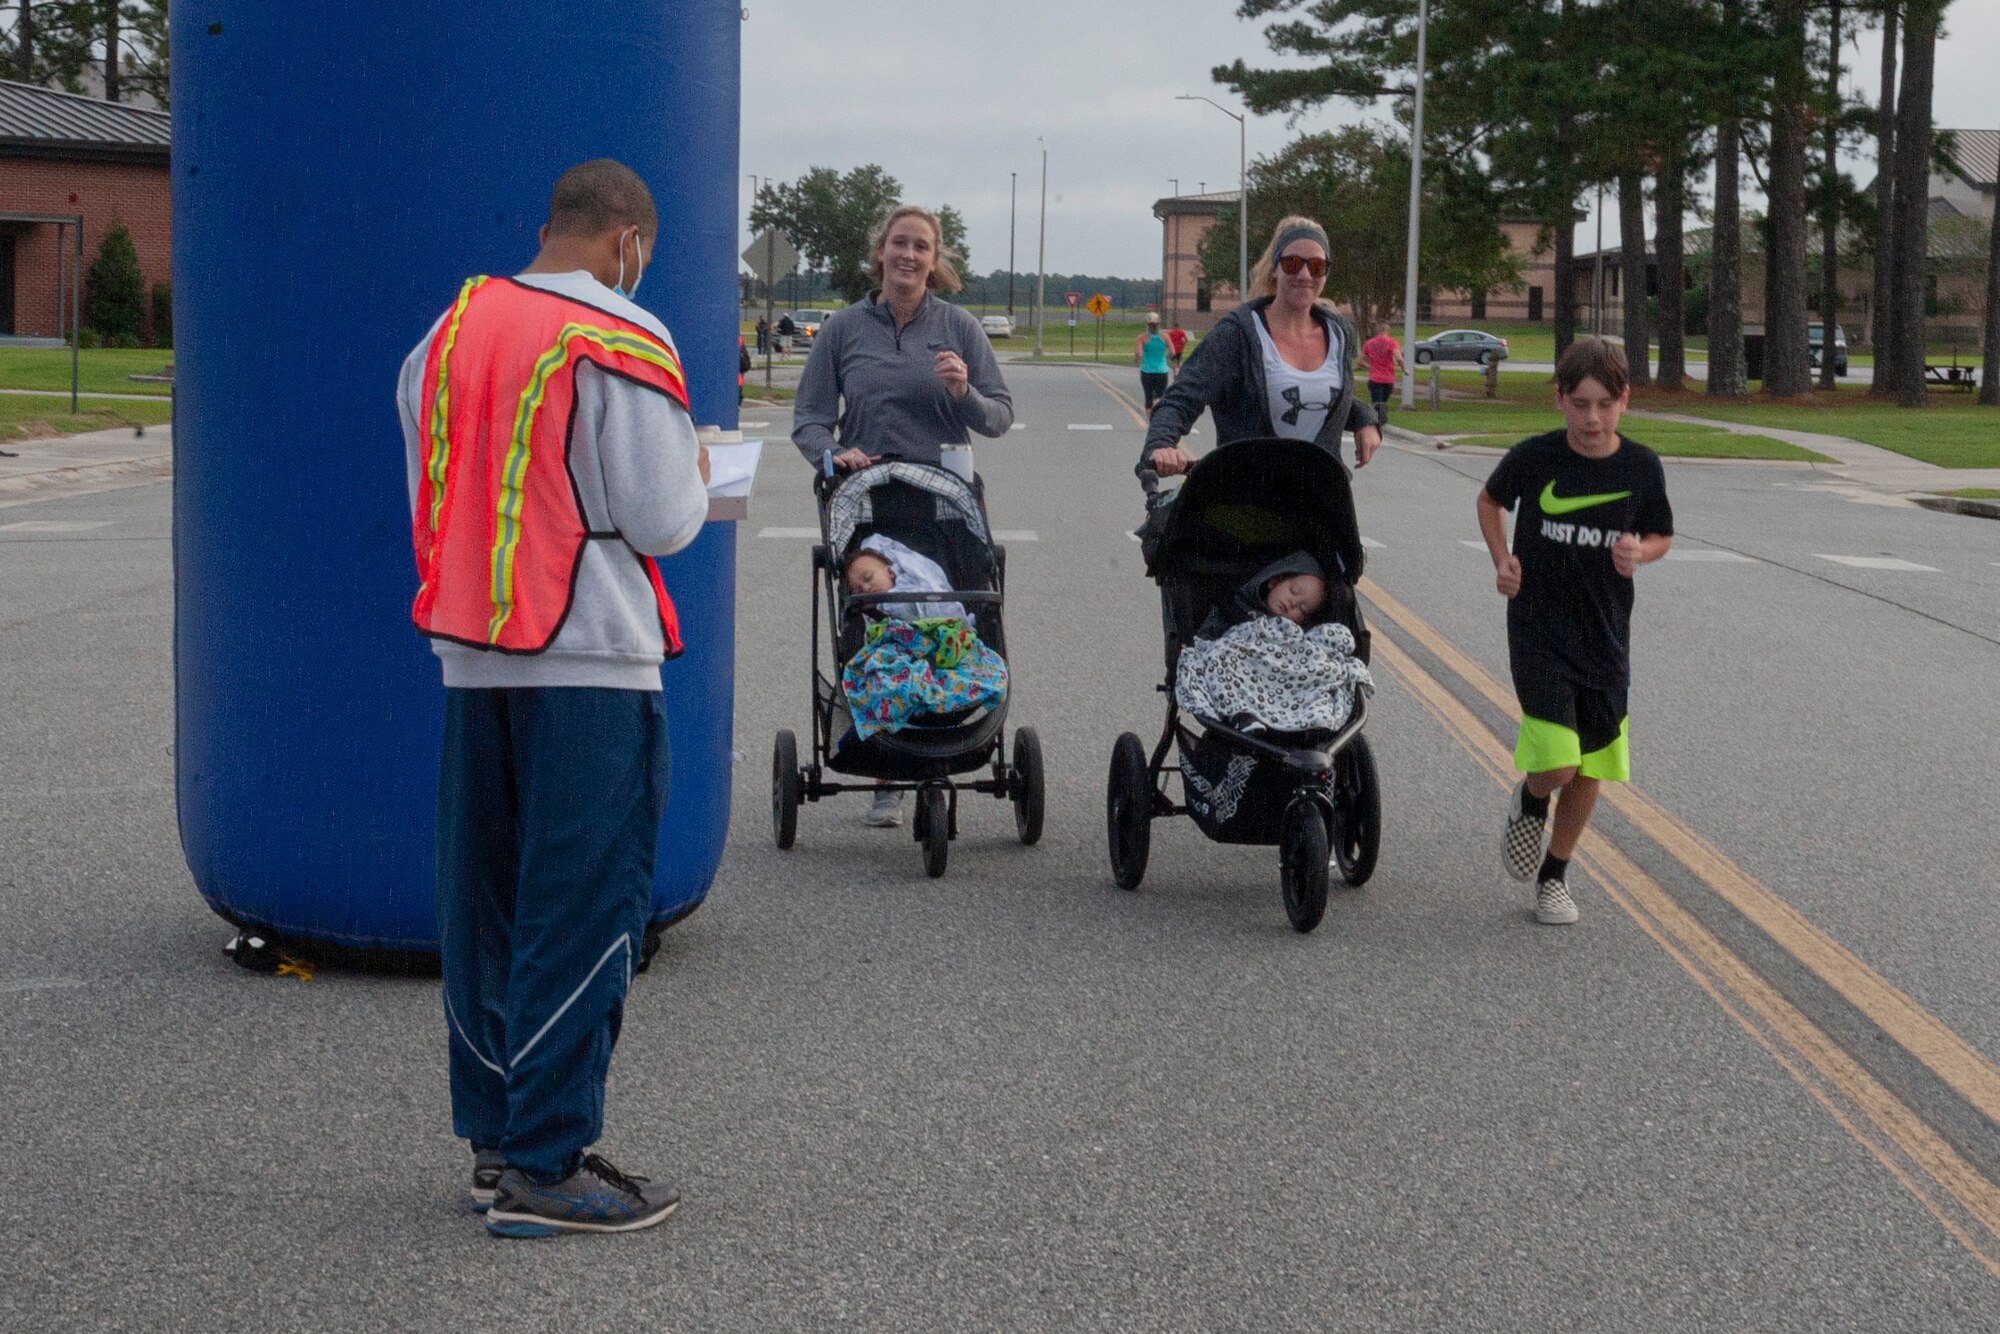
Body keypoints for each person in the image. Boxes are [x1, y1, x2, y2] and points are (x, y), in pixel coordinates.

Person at [397, 158, 710, 1237]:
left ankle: (496, 1140)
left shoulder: (446, 334)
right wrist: (699, 472)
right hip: (591, 657)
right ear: (629, 241)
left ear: (547, 230)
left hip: (474, 654)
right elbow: (662, 516)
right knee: (579, 913)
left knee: (485, 908)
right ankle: (547, 1163)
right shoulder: (621, 334)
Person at [792, 203, 1014, 825]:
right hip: (868, 500)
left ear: (935, 261)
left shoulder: (958, 327)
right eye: (899, 243)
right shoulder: (843, 330)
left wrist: (963, 392)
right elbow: (809, 420)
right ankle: (886, 761)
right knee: (877, 622)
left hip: (943, 501)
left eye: (921, 246)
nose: (908, 255)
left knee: (948, 615)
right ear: (880, 252)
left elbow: (999, 416)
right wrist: (833, 453)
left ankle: (950, 726)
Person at [1477, 337, 1673, 926]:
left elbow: (1661, 534)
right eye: (1580, 403)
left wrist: (1641, 552)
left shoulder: (1641, 467)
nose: (1592, 419)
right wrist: (1502, 560)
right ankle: (1532, 795)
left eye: (1605, 405)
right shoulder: (1535, 458)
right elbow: (1489, 501)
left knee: (1592, 766)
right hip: (1539, 629)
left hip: (1606, 636)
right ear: (1558, 398)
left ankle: (1554, 876)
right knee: (1559, 763)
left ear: (1624, 400)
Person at [1140, 216, 1381, 483]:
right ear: (1274, 268)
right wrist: (1161, 443)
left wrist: (1365, 419)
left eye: (1316, 266)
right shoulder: (1238, 334)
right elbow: (1183, 397)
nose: (1304, 275)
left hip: (1321, 496)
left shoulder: (1339, 335)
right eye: (1292, 264)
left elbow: (1320, 396)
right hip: (1249, 494)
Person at [1359, 320, 1404, 430]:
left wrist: (1369, 367)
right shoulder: (1392, 342)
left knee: (1377, 402)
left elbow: (1359, 361)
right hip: (1388, 379)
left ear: (1376, 330)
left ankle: (1376, 421)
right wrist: (1404, 368)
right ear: (1387, 329)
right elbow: (1399, 358)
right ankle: (1379, 421)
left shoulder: (1369, 343)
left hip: (1375, 378)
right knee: (1383, 402)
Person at [1135, 312, 1172, 412]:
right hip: (1162, 371)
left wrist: (1137, 361)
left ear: (1147, 324)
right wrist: (1165, 358)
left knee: (1148, 396)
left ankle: (1150, 416)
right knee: (1159, 396)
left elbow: (1138, 353)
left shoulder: (1142, 337)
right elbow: (1172, 352)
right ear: (1158, 323)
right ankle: (1157, 414)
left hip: (1147, 371)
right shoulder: (1165, 336)